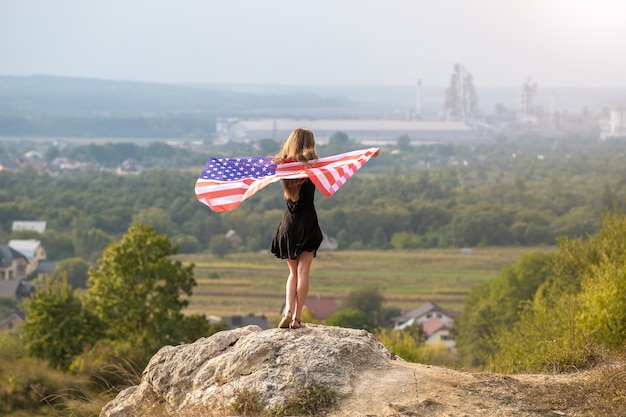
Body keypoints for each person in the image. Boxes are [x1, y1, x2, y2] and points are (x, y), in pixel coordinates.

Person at [271, 128, 323, 329]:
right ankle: (297, 318)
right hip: (307, 222)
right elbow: (342, 163)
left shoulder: (282, 165)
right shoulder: (314, 166)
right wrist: (370, 153)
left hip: (288, 224)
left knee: (292, 274)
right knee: (304, 273)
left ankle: (287, 311)